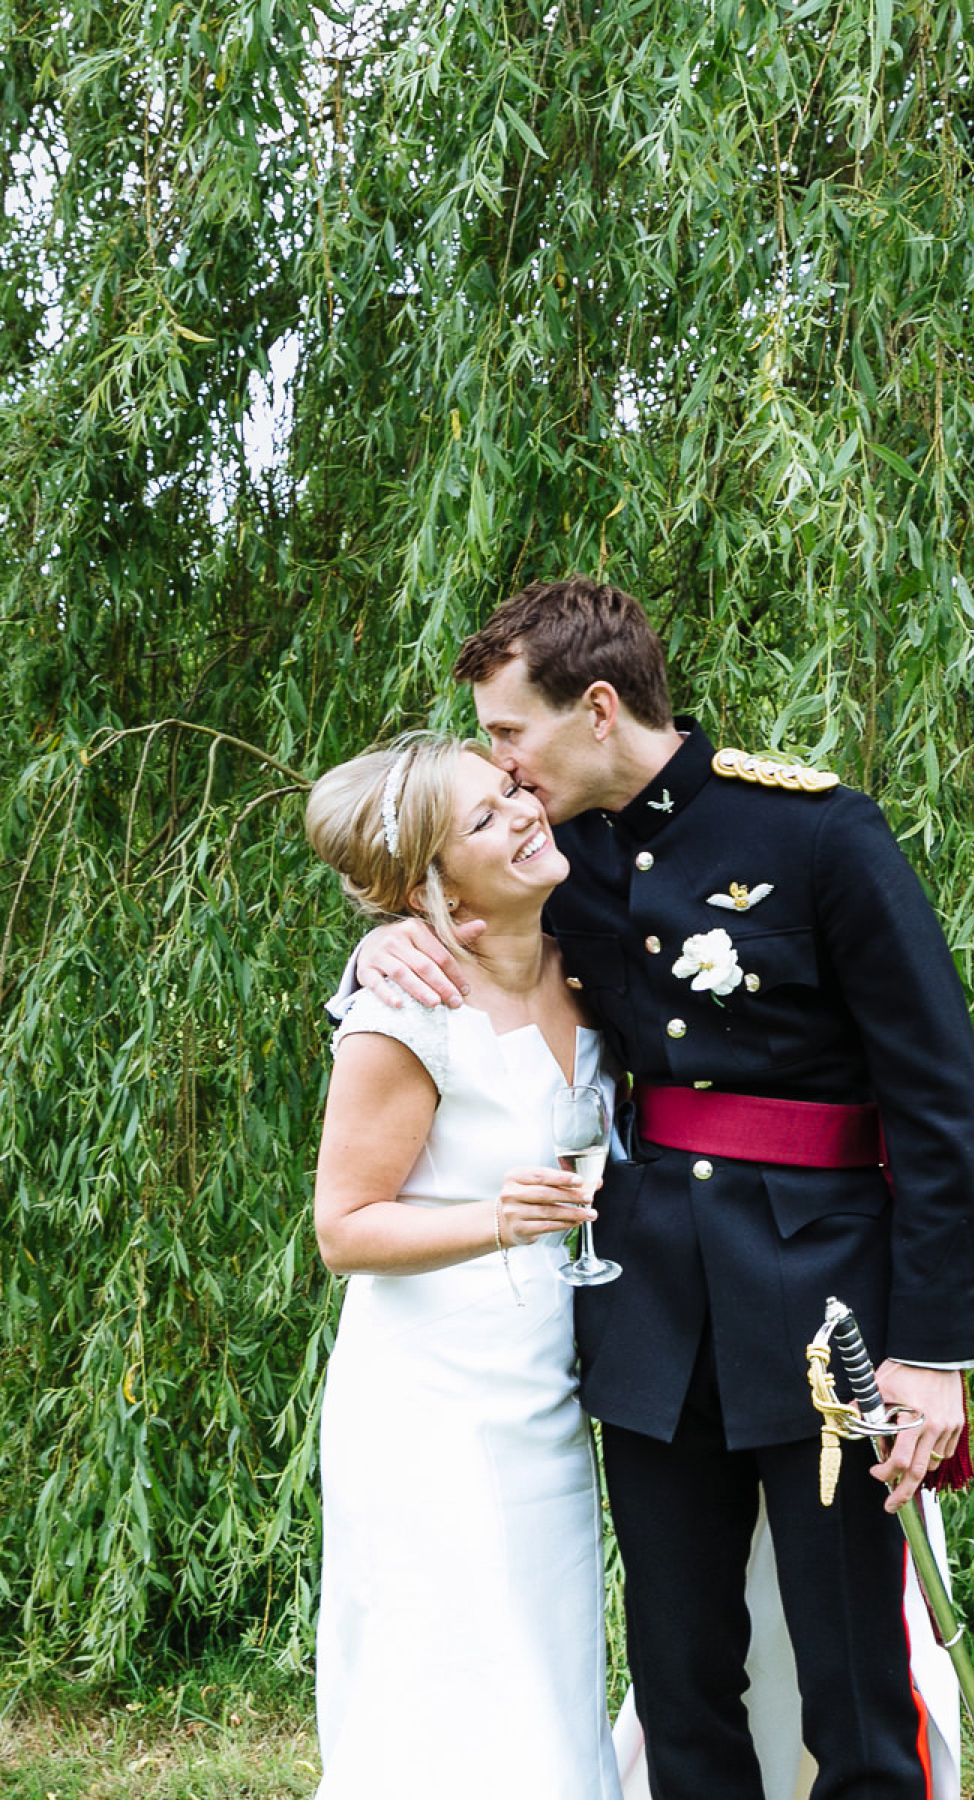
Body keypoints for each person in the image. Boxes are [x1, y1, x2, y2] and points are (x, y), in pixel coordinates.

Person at [345, 577, 974, 1800]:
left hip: (826, 1317)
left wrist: (933, 1348)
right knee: (683, 1676)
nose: (502, 769)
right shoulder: (553, 858)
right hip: (650, 1315)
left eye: (507, 735)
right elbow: (441, 893)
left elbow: (940, 1101)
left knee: (854, 1679)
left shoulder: (817, 835)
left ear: (596, 709)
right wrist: (384, 930)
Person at [305, 730, 624, 1800]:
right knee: (447, 1684)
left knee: (546, 1676)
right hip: (432, 1408)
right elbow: (345, 1227)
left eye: (509, 792)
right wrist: (496, 1218)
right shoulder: (406, 1008)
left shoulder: (582, 957)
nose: (526, 812)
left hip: (542, 1393)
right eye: (484, 821)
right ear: (424, 887)